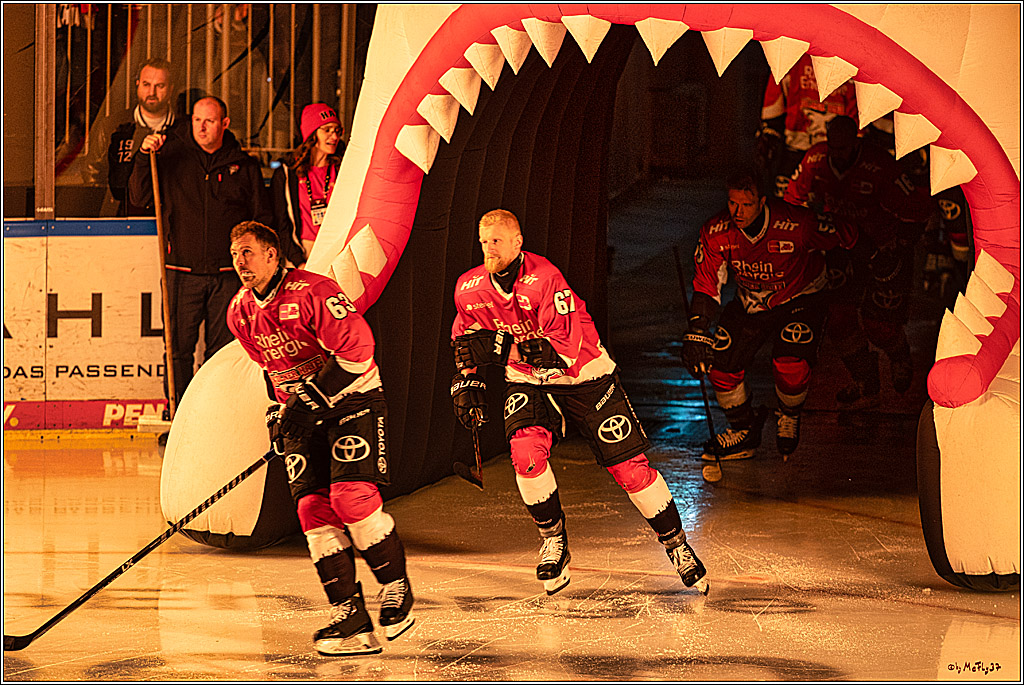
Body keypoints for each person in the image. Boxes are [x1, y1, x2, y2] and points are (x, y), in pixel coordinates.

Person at [450, 209, 709, 597]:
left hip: (583, 375)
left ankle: (677, 545)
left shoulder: (545, 278)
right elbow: (465, 340)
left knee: (630, 471)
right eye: (484, 241)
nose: (489, 249)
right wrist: (465, 380)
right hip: (528, 381)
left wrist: (499, 348)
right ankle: (554, 540)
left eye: (497, 241)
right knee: (526, 456)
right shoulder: (468, 288)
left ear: (518, 243)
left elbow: (558, 352)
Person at [227, 220, 415, 656]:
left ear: (272, 254)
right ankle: (350, 617)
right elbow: (272, 368)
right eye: (235, 254)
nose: (240, 262)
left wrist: (307, 401)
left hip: (353, 401)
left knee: (351, 500)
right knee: (311, 509)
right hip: (303, 411)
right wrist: (280, 413)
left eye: (248, 252)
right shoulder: (240, 311)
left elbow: (358, 352)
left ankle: (395, 586)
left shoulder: (314, 291)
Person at [681, 168, 857, 461]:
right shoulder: (716, 232)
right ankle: (744, 430)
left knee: (790, 364)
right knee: (720, 365)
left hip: (800, 297)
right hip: (751, 301)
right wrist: (697, 330)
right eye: (732, 203)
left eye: (746, 204)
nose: (737, 212)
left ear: (762, 202)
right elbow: (707, 283)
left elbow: (847, 235)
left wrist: (864, 259)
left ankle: (789, 413)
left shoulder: (797, 223)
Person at [128, 95, 272, 409]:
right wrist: (142, 156)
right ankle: (179, 416)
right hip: (180, 272)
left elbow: (262, 219)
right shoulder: (170, 157)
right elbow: (139, 198)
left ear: (225, 124)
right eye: (196, 120)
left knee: (221, 354)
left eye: (209, 121)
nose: (201, 127)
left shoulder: (244, 166)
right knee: (177, 351)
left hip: (228, 276)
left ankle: (213, 416)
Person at [784, 116, 932, 406]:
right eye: (832, 147)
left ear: (855, 142)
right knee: (839, 320)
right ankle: (865, 379)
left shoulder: (880, 166)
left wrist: (900, 247)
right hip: (841, 247)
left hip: (884, 250)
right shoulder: (815, 160)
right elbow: (792, 201)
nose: (837, 155)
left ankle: (899, 355)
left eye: (843, 149)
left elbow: (919, 209)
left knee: (879, 324)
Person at [757, 54, 858, 198]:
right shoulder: (792, 56)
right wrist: (769, 139)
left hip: (835, 155)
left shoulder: (854, 62)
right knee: (788, 203)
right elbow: (772, 111)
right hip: (797, 151)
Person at [104, 57, 182, 216]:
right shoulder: (113, 126)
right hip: (124, 220)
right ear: (137, 84)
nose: (152, 92)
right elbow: (94, 177)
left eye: (160, 86)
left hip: (173, 220)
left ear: (171, 89)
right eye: (146, 84)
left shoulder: (184, 130)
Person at [270, 103, 344, 267]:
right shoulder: (287, 172)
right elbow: (281, 223)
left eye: (337, 131)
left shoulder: (342, 169)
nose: (334, 137)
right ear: (312, 134)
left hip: (335, 252)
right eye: (327, 130)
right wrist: (298, 260)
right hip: (301, 253)